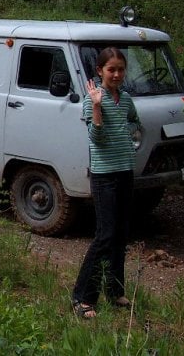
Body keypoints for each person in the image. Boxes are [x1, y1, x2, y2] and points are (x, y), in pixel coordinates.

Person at [72, 47, 140, 319]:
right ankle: (82, 298)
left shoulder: (125, 100)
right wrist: (98, 106)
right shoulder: (92, 101)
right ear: (100, 71)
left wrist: (128, 138)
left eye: (120, 69)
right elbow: (96, 140)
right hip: (104, 176)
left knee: (121, 233)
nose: (116, 74)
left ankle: (115, 291)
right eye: (111, 69)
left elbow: (135, 121)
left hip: (125, 172)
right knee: (105, 235)